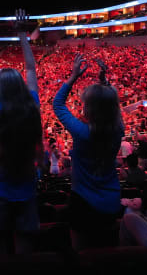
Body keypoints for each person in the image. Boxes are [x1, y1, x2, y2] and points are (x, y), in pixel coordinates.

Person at [0, 9, 42, 256]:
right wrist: (22, 34)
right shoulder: (33, 108)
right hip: (26, 190)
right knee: (25, 254)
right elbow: (32, 71)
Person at [53, 55, 124, 250]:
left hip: (82, 200)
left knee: (81, 253)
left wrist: (73, 76)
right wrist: (104, 82)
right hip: (111, 199)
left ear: (88, 108)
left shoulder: (82, 132)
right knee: (107, 252)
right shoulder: (119, 129)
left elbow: (58, 104)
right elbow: (112, 105)